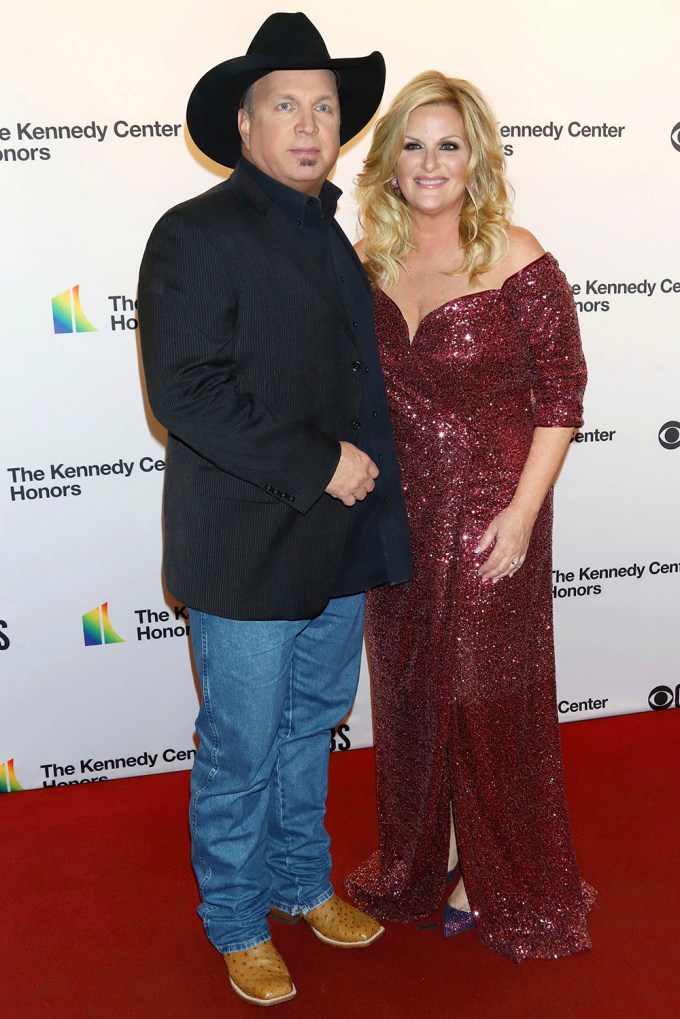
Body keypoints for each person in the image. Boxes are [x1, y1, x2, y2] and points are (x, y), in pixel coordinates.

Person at [138, 13, 412, 1007]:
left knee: (308, 726)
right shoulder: (192, 234)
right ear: (244, 125)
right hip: (247, 548)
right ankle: (236, 920)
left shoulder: (330, 233)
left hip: (335, 542)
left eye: (324, 106)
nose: (308, 123)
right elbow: (188, 393)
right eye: (285, 105)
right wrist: (316, 463)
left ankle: (301, 881)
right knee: (243, 744)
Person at [345, 71, 595, 961]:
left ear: (476, 156)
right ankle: (425, 850)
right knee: (412, 688)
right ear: (389, 158)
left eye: (449, 144)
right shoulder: (367, 253)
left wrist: (526, 514)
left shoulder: (516, 254)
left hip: (494, 508)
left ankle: (501, 868)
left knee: (487, 694)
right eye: (413, 143)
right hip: (399, 514)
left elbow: (562, 395)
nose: (429, 162)